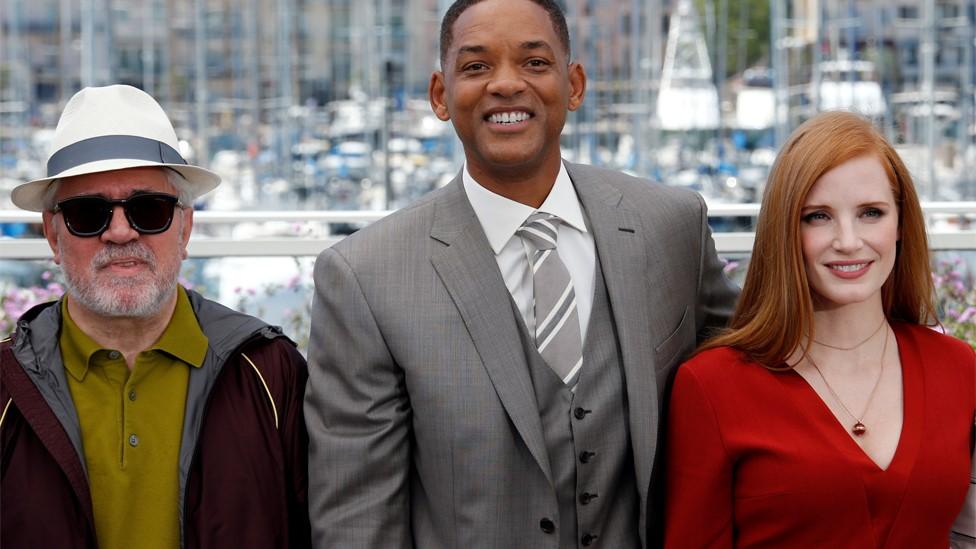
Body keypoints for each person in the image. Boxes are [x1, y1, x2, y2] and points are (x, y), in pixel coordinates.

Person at [303, 0, 738, 547]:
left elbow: (758, 362)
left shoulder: (671, 227)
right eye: (477, 66)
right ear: (441, 95)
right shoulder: (365, 277)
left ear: (574, 84)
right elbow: (358, 519)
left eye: (534, 62)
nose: (506, 84)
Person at [1, 85, 311, 549]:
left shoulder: (270, 371)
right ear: (52, 234)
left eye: (150, 209)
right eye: (88, 214)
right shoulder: (6, 386)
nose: (120, 232)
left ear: (185, 226)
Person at [664, 111, 976, 547]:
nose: (848, 240)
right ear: (784, 230)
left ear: (901, 224)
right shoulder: (712, 386)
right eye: (818, 217)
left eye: (871, 212)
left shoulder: (959, 368)